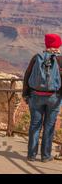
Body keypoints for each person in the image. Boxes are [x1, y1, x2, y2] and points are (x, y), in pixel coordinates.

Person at [23, 33, 62, 162]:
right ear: (58, 45)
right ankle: (45, 156)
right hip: (54, 97)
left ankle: (31, 155)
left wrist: (25, 94)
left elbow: (27, 74)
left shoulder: (36, 57)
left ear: (46, 44)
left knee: (35, 125)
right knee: (49, 126)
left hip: (35, 95)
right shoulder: (60, 59)